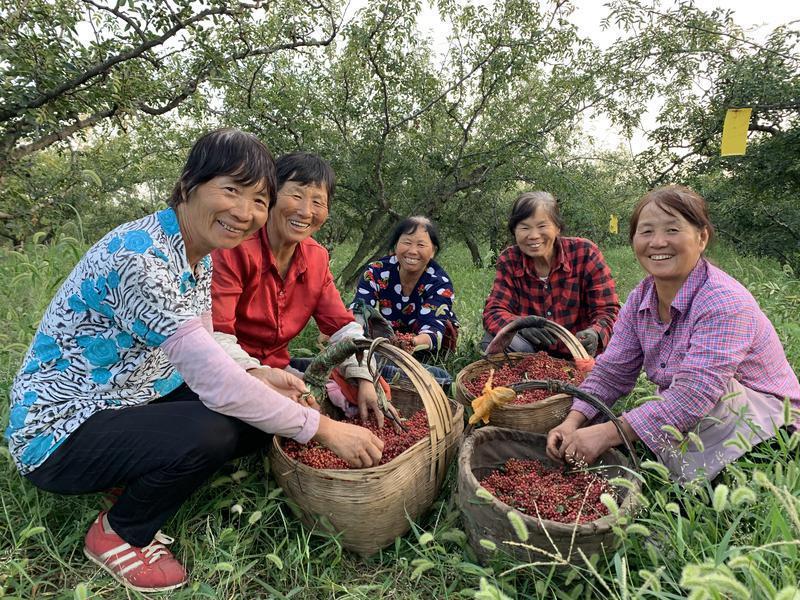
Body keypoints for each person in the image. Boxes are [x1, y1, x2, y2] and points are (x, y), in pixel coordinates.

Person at [5, 129, 383, 593]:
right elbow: (215, 379)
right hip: (59, 431)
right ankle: (122, 531)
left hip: (131, 394)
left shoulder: (196, 254)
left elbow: (206, 346)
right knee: (216, 427)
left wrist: (259, 373)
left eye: (257, 199)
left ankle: (128, 475)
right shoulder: (141, 260)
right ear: (188, 184)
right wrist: (323, 428)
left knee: (253, 413)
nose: (244, 213)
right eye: (231, 190)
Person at [546, 185, 800, 482]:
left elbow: (695, 395)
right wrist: (573, 421)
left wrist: (608, 433)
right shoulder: (641, 298)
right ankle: (686, 468)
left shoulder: (725, 301)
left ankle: (717, 477)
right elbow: (612, 371)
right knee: (665, 413)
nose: (658, 242)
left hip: (768, 424)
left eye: (672, 230)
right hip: (704, 417)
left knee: (707, 402)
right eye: (646, 231)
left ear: (701, 237)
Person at [211, 152, 395, 426]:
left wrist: (364, 377)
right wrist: (257, 376)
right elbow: (216, 337)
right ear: (271, 195)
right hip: (232, 369)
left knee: (368, 385)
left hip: (277, 368)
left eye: (318, 202)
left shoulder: (315, 258)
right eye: (296, 196)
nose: (306, 211)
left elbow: (342, 328)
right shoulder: (235, 249)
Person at [482, 191, 620, 357]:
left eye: (542, 226)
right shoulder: (510, 260)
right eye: (524, 227)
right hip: (530, 353)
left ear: (557, 228)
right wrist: (521, 325)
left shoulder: (585, 253)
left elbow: (608, 309)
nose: (533, 236)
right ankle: (521, 382)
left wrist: (595, 333)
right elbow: (494, 311)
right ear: (514, 231)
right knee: (493, 340)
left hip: (579, 352)